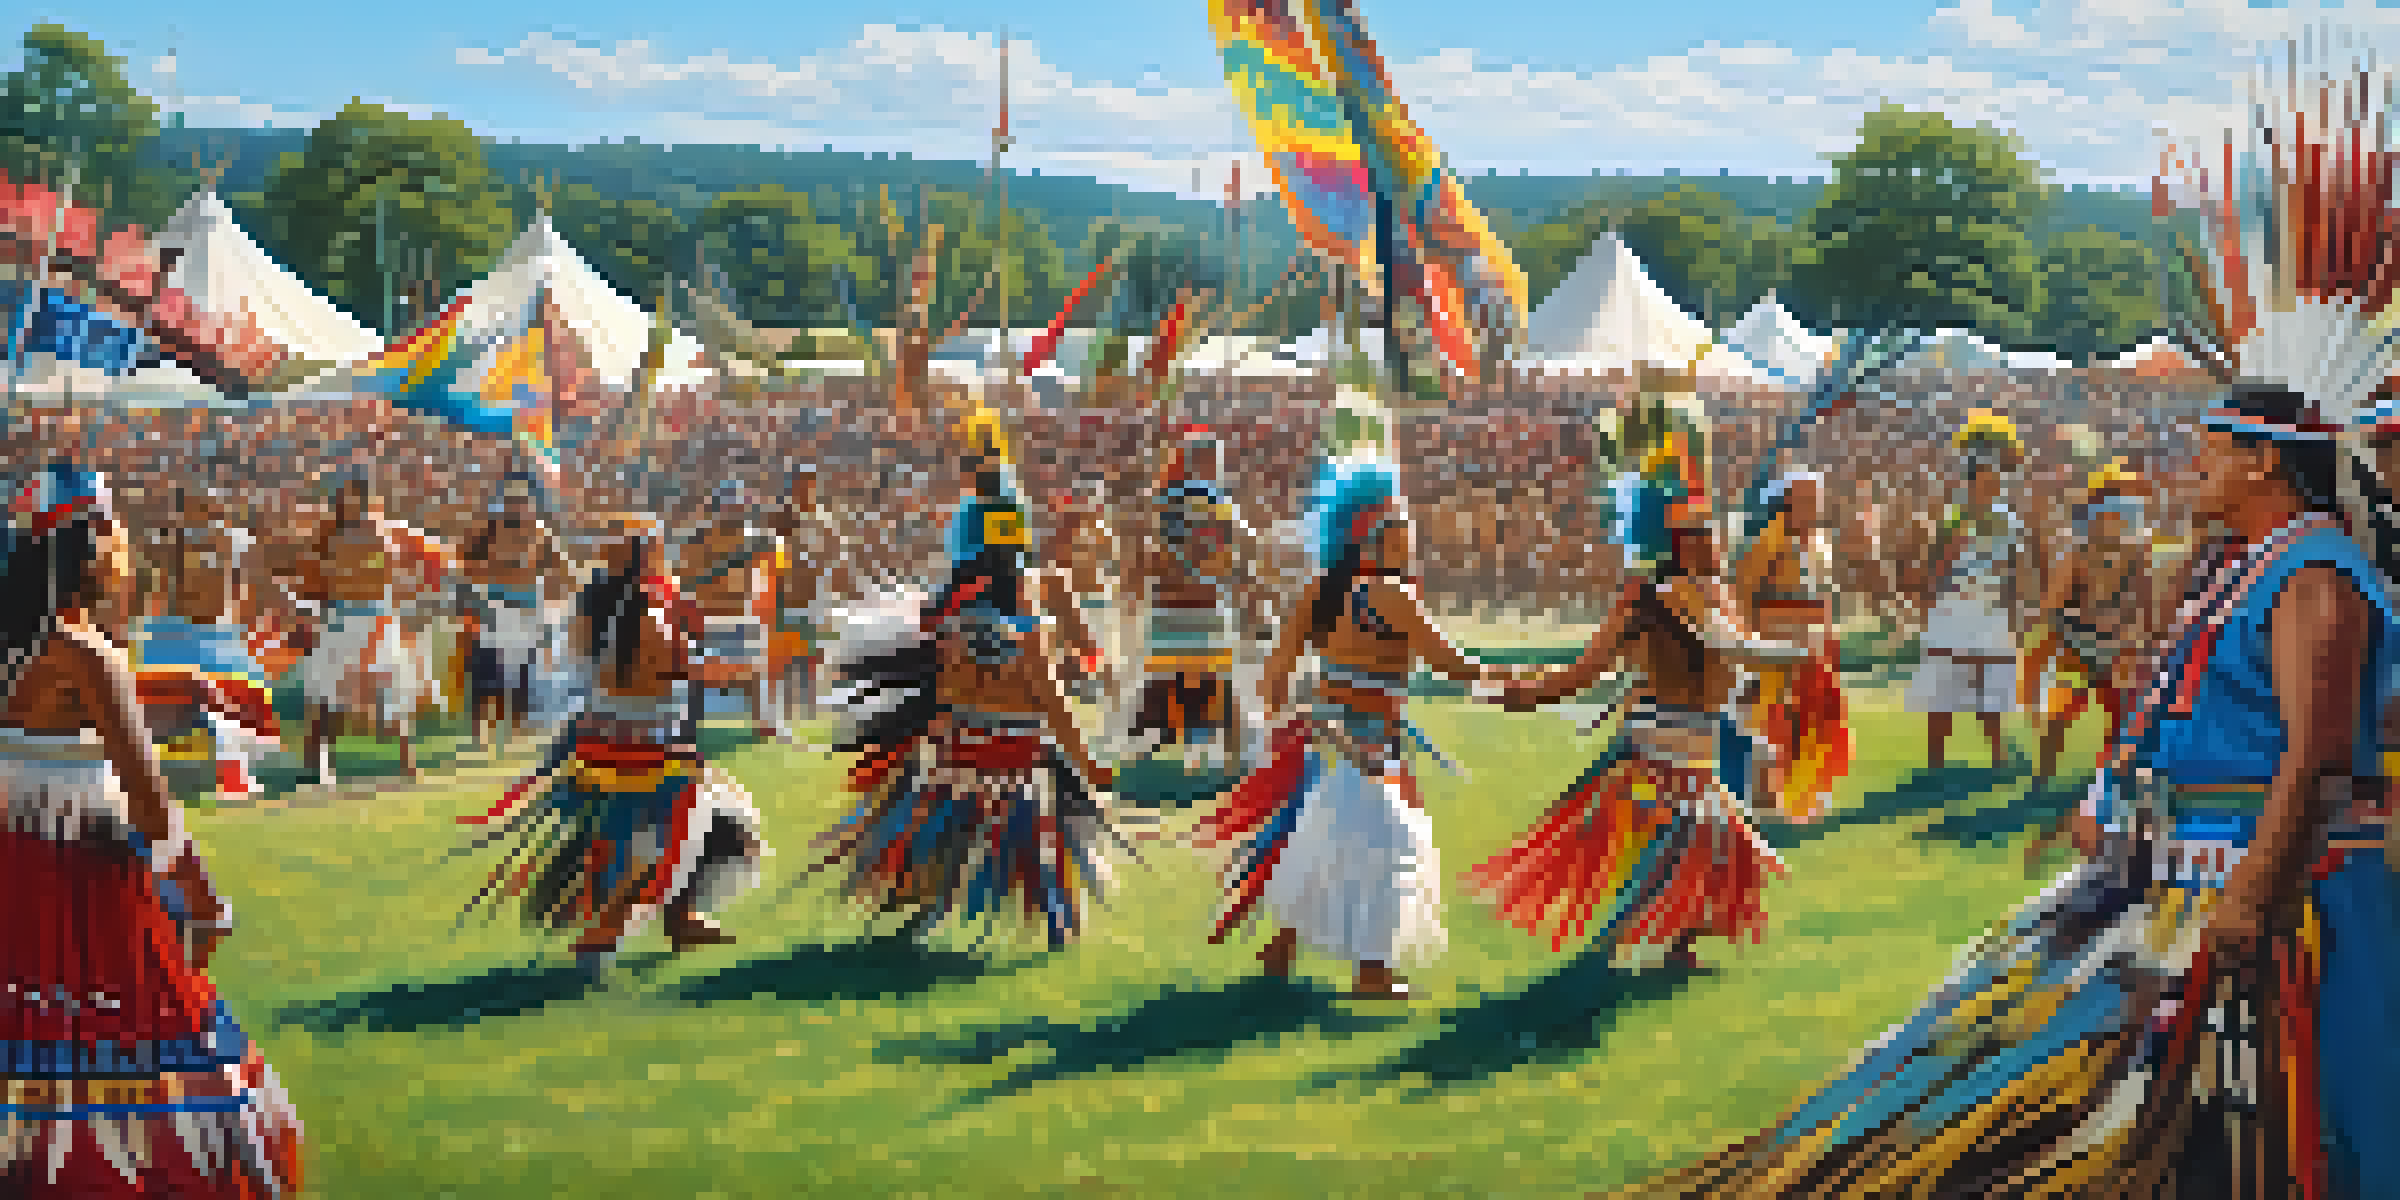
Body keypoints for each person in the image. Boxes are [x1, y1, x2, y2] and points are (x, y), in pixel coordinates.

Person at [1624, 381, 2400, 1198]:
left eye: (2212, 449)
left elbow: (2313, 756)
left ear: (2264, 459)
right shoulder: (2250, 569)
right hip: (2190, 876)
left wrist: (2248, 892)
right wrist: (2120, 807)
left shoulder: (2316, 576)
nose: (2192, 466)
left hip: (2279, 896)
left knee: (2278, 1124)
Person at [0, 464, 306, 1195]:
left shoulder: (36, 649)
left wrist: (182, 687)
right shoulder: (85, 652)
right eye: (115, 533)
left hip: (17, 872)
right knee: (142, 1051)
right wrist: (204, 902)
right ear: (93, 546)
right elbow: (152, 804)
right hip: (89, 891)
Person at [1470, 378, 1813, 972]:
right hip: (1663, 739)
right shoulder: (1659, 597)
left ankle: (1669, 944)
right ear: (1675, 543)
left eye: (1714, 532)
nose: (1715, 543)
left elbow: (1731, 654)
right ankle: (1650, 941)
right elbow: (1604, 667)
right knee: (1702, 840)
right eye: (1702, 535)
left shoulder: (1710, 591)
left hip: (1697, 736)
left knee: (1705, 844)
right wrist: (1527, 692)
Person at [1195, 450, 1515, 998]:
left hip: (1320, 740)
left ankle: (1282, 947)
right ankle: (1372, 974)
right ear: (1375, 533)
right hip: (1367, 745)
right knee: (1388, 848)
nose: (1411, 534)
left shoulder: (1321, 590)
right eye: (1401, 524)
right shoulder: (1393, 594)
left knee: (1321, 839)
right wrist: (1518, 681)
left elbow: (1277, 671)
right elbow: (1454, 665)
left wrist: (1279, 725)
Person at [809, 414, 1124, 949]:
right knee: (1052, 852)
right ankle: (1057, 928)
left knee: (944, 841)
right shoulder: (1026, 631)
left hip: (958, 762)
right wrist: (1086, 761)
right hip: (1017, 766)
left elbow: (937, 704)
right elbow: (1051, 700)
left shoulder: (944, 629)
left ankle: (919, 917)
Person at [458, 513, 769, 972]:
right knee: (682, 840)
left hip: (601, 742)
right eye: (659, 548)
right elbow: (688, 669)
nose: (667, 556)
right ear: (646, 559)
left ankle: (678, 919)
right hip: (646, 752)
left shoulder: (593, 607)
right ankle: (602, 941)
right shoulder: (647, 617)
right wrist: (752, 667)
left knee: (693, 829)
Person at [1113, 426, 1264, 798]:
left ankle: (1143, 762)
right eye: (1209, 459)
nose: (1213, 466)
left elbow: (1237, 553)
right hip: (1182, 615)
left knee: (1194, 688)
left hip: (1191, 614)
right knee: (1183, 688)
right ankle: (1151, 761)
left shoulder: (1179, 503)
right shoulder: (1181, 504)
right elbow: (1240, 551)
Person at [290, 472, 449, 786]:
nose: (353, 501)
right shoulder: (329, 534)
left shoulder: (378, 534)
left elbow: (386, 581)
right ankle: (317, 767)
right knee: (324, 698)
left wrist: (383, 622)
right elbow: (313, 580)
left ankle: (408, 766)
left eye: (358, 494)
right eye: (347, 494)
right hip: (338, 617)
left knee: (388, 695)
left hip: (373, 617)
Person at [129, 482, 282, 800]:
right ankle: (148, 774)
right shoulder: (168, 542)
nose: (209, 513)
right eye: (200, 507)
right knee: (171, 708)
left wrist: (246, 631)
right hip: (175, 638)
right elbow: (152, 586)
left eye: (213, 507)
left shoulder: (235, 541)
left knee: (241, 703)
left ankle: (236, 773)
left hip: (221, 639)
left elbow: (246, 590)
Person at [2020, 459, 2168, 785]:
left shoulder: (2138, 552)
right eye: (2115, 507)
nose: (2122, 517)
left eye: (2129, 509)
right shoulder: (2079, 554)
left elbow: (2145, 601)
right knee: (2059, 717)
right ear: (2096, 513)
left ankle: (2112, 777)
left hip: (2119, 648)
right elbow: (2052, 604)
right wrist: (2042, 640)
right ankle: (2043, 776)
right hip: (2076, 644)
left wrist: (2149, 637)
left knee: (2121, 718)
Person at [1728, 468, 1852, 821]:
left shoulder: (1820, 542)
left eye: (1815, 499)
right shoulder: (1765, 541)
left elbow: (1823, 598)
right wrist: (1749, 650)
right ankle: (1769, 799)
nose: (1813, 506)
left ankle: (1808, 794)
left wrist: (1829, 643)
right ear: (1785, 501)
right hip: (1773, 651)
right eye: (1804, 498)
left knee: (1819, 720)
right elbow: (1742, 597)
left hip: (1814, 651)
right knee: (1773, 723)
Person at [1906, 409, 2026, 771]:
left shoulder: (2009, 522)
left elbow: (2014, 574)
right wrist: (1929, 610)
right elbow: (1934, 571)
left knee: (1992, 692)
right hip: (1953, 614)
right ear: (1971, 480)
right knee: (1943, 690)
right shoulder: (1953, 519)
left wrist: (2014, 614)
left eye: (1995, 478)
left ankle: (1998, 757)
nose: (1990, 485)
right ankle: (1935, 763)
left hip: (1991, 616)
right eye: (1983, 478)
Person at [459, 471, 574, 753]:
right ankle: (481, 736)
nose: (518, 505)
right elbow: (468, 568)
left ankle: (514, 736)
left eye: (523, 499)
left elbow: (564, 573)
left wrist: (555, 601)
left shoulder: (540, 532)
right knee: (485, 675)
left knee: (520, 679)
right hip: (493, 609)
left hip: (526, 612)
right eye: (512, 498)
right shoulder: (488, 530)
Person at [679, 478, 780, 740]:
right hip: (707, 618)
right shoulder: (698, 540)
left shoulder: (754, 539)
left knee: (756, 673)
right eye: (730, 505)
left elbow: (772, 556)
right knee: (696, 676)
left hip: (740, 617)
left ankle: (765, 724)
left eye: (738, 505)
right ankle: (687, 725)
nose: (734, 510)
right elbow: (687, 579)